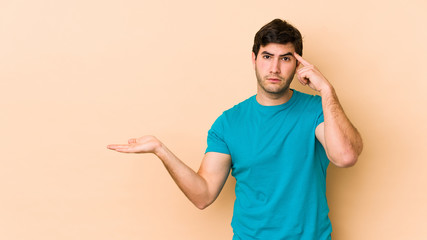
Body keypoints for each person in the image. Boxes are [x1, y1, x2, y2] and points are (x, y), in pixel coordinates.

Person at [107, 19, 363, 239]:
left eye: (285, 59)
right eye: (267, 57)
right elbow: (203, 195)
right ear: (254, 59)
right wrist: (160, 150)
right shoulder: (228, 123)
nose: (274, 68)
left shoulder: (316, 110)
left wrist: (327, 90)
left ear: (298, 66)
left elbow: (345, 156)